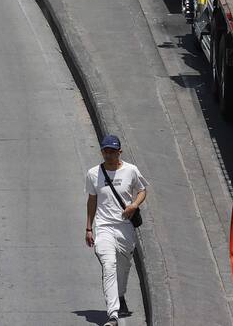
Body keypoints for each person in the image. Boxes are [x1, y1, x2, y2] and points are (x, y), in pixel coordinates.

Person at [86, 134, 148, 326]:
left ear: (119, 152)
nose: (108, 154)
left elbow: (142, 190)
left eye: (112, 151)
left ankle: (120, 294)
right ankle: (113, 315)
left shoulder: (131, 170)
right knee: (109, 265)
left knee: (123, 266)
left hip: (124, 228)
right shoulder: (93, 173)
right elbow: (92, 200)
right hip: (104, 226)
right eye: (105, 151)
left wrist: (134, 205)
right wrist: (89, 228)